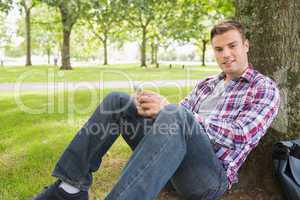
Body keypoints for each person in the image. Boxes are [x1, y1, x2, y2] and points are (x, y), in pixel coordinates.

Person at [31, 20, 280, 200]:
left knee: (175, 113)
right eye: (219, 49)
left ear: (246, 45)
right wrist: (153, 109)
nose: (226, 54)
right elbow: (177, 119)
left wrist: (173, 113)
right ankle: (69, 188)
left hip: (209, 178)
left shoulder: (263, 88)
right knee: (118, 101)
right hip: (173, 160)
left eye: (232, 46)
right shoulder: (207, 84)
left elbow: (241, 136)